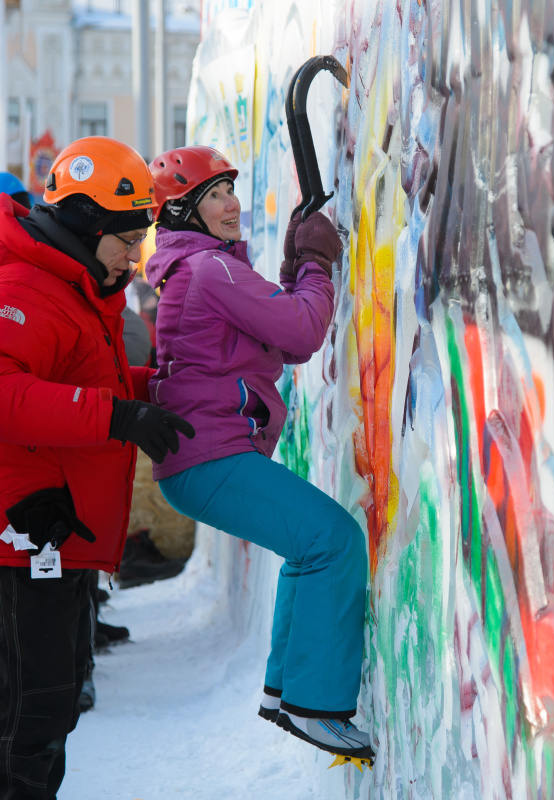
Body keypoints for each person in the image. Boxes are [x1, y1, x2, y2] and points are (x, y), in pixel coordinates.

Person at [146, 145, 373, 763]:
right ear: (183, 213)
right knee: (333, 541)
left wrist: (301, 263)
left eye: (229, 190)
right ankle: (316, 705)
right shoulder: (210, 271)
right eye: (213, 196)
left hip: (203, 460)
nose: (231, 205)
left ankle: (286, 692)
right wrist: (319, 261)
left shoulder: (201, 270)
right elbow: (303, 329)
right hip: (210, 458)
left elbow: (285, 338)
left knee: (309, 549)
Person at [0, 135, 195, 798]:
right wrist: (117, 417)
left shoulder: (80, 288)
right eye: (127, 235)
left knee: (49, 709)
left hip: (55, 541)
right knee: (24, 716)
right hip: (20, 543)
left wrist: (159, 390)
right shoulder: (28, 288)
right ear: (85, 222)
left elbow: (85, 382)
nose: (135, 253)